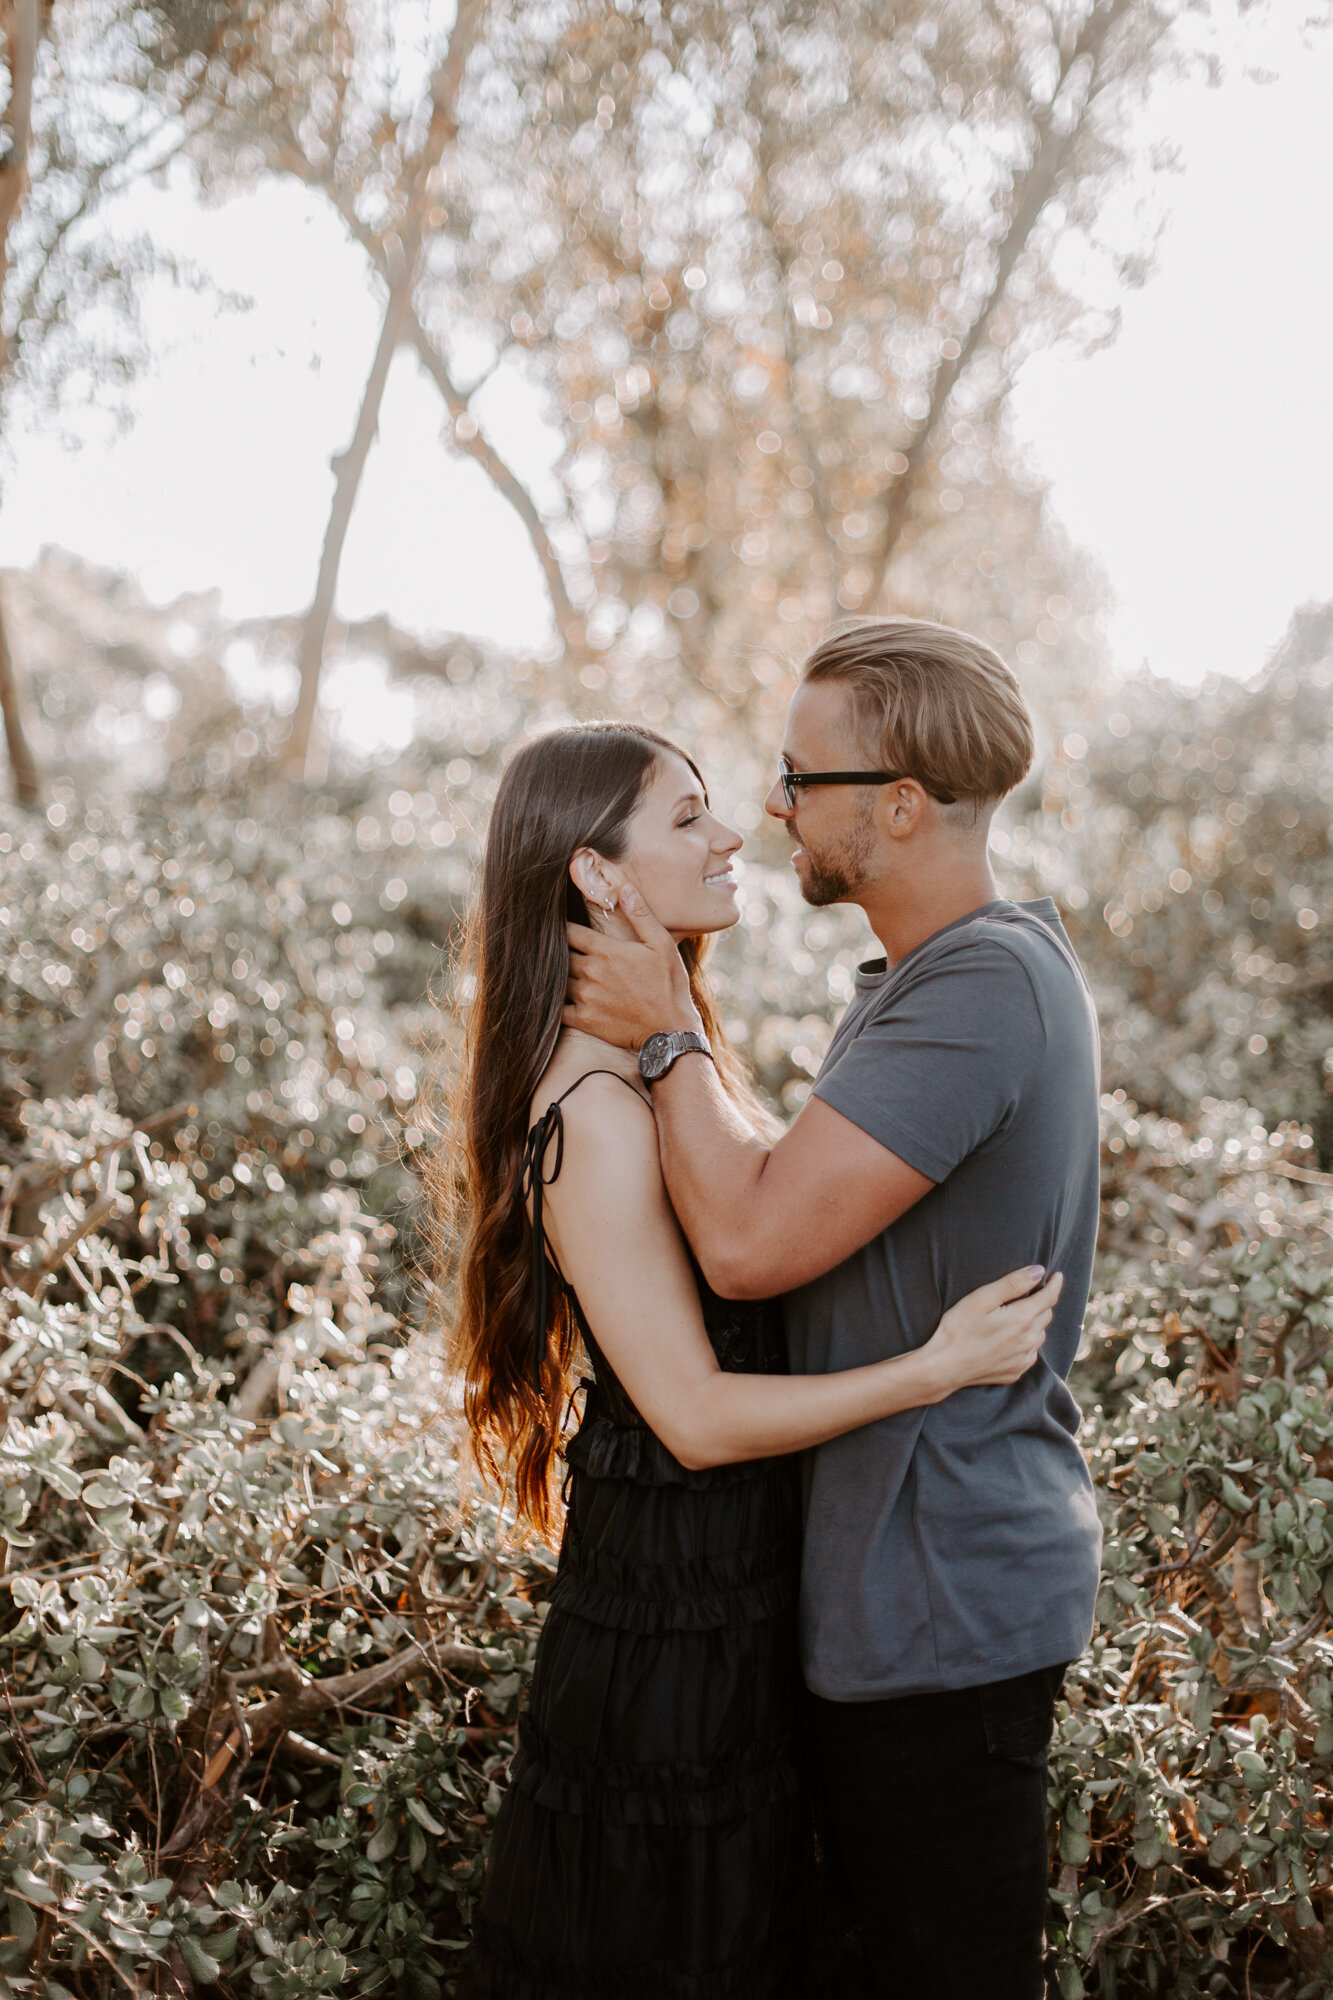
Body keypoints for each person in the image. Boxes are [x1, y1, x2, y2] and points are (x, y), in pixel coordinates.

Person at [442, 719, 1063, 2000]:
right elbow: (694, 1415)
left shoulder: (653, 1070)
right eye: (686, 817)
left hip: (737, 1591)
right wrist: (931, 1367)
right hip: (667, 1616)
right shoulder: (597, 1109)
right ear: (596, 878)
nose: (732, 833)